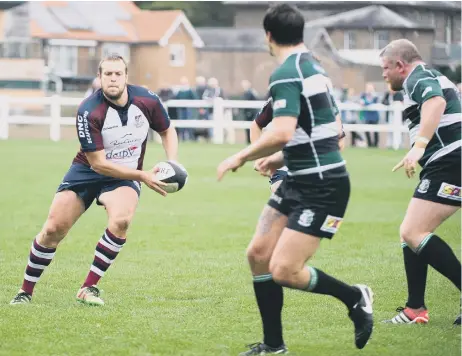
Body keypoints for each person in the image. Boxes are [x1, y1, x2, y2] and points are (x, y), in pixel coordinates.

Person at [217, 4, 373, 354]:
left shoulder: (287, 72)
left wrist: (241, 155)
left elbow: (284, 130)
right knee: (258, 254)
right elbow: (324, 134)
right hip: (299, 179)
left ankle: (355, 297)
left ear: (268, 36)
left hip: (324, 186)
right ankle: (274, 346)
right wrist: (275, 159)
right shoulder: (314, 69)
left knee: (285, 270)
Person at [10, 53, 179, 306]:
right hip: (87, 171)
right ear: (99, 78)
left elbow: (167, 130)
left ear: (126, 76)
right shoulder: (89, 110)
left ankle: (89, 287)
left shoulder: (147, 100)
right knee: (53, 229)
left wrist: (172, 162)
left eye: (117, 73)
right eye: (107, 74)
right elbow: (98, 163)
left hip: (124, 176)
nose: (113, 79)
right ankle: (25, 292)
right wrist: (142, 175)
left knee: (121, 220)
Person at [379, 39, 461, 325]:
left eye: (385, 68)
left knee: (413, 231)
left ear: (400, 65)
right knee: (410, 234)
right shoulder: (423, 76)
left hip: (450, 161)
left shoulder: (418, 77)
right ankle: (415, 308)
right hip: (447, 161)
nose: (383, 74)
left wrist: (419, 146)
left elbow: (436, 101)